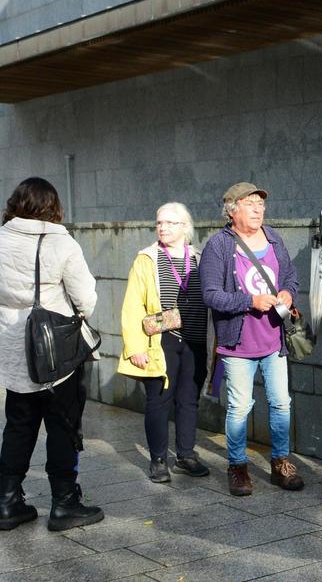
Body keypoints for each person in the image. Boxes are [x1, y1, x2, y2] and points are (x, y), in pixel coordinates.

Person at [0, 177, 103, 532]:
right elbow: (86, 299)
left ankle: (7, 502)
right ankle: (64, 503)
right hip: (57, 353)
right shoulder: (62, 243)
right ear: (52, 207)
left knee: (17, 425)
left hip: (13, 347)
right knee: (62, 425)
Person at [199, 182, 303, 497]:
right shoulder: (218, 245)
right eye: (250, 204)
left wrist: (288, 292)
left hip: (274, 339)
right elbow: (211, 295)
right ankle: (238, 466)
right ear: (232, 210)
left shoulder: (273, 238)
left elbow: (290, 277)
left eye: (261, 204)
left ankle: (281, 462)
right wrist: (249, 301)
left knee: (281, 403)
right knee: (240, 407)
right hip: (238, 343)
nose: (258, 209)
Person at [118, 202, 211, 483]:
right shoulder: (147, 259)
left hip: (195, 341)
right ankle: (158, 459)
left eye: (170, 222)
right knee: (158, 400)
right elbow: (132, 305)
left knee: (189, 401)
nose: (163, 227)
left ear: (185, 227)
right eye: (159, 222)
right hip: (161, 341)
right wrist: (134, 347)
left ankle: (185, 454)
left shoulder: (199, 257)